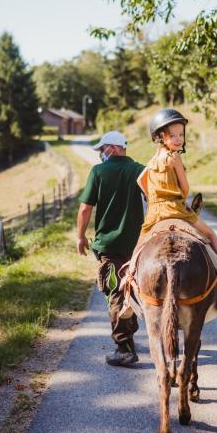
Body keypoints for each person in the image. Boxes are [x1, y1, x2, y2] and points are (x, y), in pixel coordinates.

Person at [137, 109, 217, 297]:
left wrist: (153, 197)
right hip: (176, 209)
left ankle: (127, 284)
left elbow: (140, 181)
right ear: (160, 137)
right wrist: (177, 194)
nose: (178, 139)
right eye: (172, 135)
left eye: (181, 134)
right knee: (212, 236)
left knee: (139, 247)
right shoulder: (174, 157)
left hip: (154, 213)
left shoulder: (153, 159)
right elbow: (186, 188)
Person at [77, 130, 146, 367]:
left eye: (102, 149)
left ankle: (124, 348)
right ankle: (130, 333)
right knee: (134, 289)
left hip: (110, 245)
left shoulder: (98, 172)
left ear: (114, 148)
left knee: (116, 293)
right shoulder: (139, 170)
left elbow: (85, 209)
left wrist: (80, 236)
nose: (100, 154)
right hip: (137, 244)